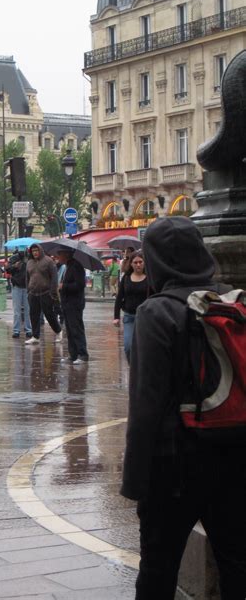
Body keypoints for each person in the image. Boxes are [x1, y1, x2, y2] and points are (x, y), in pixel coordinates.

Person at [121, 216, 246, 600]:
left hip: (174, 464)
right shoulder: (233, 300)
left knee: (158, 570)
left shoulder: (157, 312)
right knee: (237, 565)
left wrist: (135, 481)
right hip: (236, 454)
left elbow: (146, 404)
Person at [113, 250, 149, 363]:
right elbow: (119, 298)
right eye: (135, 262)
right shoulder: (126, 278)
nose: (138, 265)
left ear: (144, 263)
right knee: (128, 346)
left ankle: (141, 370)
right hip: (129, 316)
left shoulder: (149, 278)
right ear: (131, 264)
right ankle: (133, 368)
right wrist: (116, 317)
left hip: (145, 317)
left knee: (144, 347)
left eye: (140, 262)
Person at [25, 244, 62, 345]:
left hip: (46, 292)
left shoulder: (48, 261)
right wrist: (28, 290)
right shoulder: (29, 262)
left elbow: (54, 278)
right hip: (33, 293)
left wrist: (53, 292)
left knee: (49, 314)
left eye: (36, 250)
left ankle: (58, 331)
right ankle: (35, 336)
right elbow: (27, 277)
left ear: (40, 250)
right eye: (33, 251)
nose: (35, 252)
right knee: (33, 315)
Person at [57, 249, 88, 364]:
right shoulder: (68, 266)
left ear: (66, 254)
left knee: (76, 329)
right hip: (67, 303)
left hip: (74, 303)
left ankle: (82, 354)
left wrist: (63, 286)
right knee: (69, 330)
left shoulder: (76, 266)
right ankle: (73, 354)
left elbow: (79, 285)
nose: (58, 256)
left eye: (59, 254)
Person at [6, 250, 32, 339]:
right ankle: (16, 330)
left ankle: (28, 329)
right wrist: (15, 266)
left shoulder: (30, 258)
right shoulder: (14, 258)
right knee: (17, 310)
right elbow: (7, 269)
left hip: (27, 286)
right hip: (17, 286)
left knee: (27, 310)